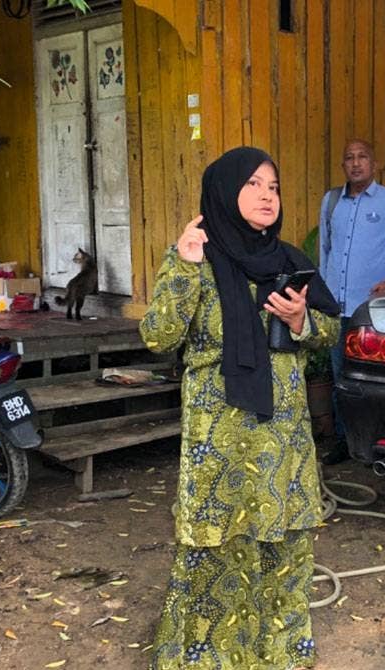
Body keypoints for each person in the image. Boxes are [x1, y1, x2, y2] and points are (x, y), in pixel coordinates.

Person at [142, 147, 341, 670]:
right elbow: (159, 335)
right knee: (216, 548)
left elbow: (329, 330)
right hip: (219, 437)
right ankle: (208, 657)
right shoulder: (196, 256)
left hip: (283, 436)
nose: (266, 196)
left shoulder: (290, 260)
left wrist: (301, 321)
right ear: (225, 192)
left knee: (284, 548)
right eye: (253, 184)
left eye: (273, 187)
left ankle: (278, 655)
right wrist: (184, 268)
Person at [317, 139, 385, 465]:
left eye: (362, 157)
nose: (356, 163)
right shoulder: (332, 202)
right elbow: (325, 252)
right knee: (339, 378)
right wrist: (321, 297)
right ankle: (345, 442)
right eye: (349, 157)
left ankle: (381, 440)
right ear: (343, 165)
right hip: (336, 307)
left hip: (370, 313)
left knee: (374, 381)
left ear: (373, 164)